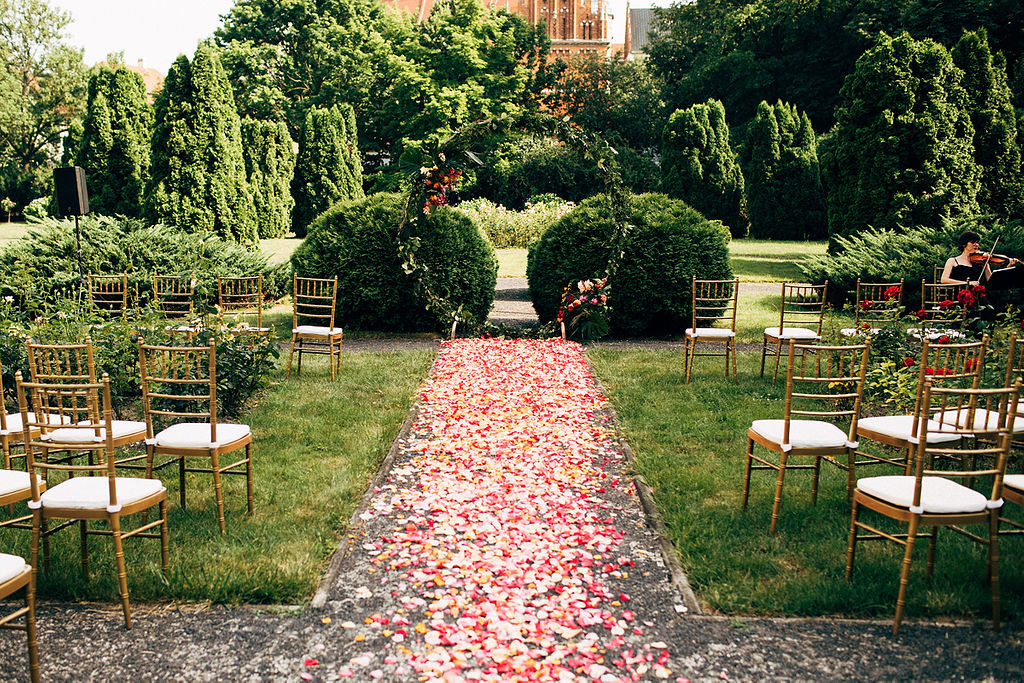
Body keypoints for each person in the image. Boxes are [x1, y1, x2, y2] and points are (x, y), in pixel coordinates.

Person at [940, 231, 1024, 290]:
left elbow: (991, 281)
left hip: (977, 295)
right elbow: (944, 280)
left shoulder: (983, 261)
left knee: (989, 310)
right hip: (959, 296)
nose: (976, 245)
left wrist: (1008, 266)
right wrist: (968, 283)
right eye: (972, 242)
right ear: (964, 244)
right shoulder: (952, 261)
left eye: (977, 242)